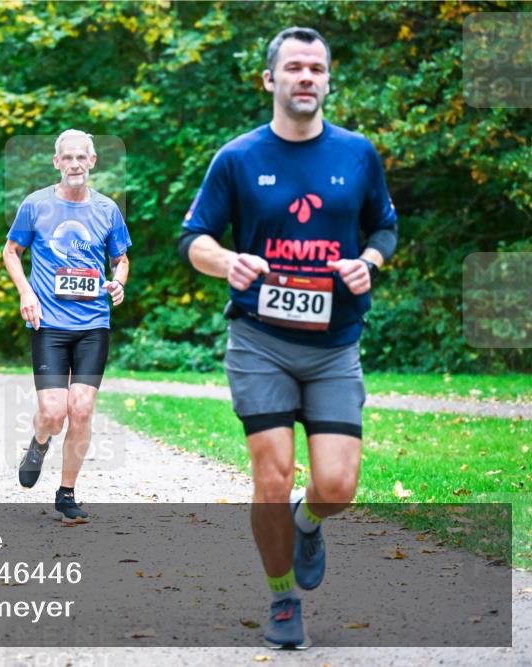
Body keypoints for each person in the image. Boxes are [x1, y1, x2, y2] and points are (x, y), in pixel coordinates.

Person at [177, 27, 398, 648]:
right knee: (271, 477)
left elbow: (384, 226)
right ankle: (281, 597)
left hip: (335, 345)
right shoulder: (239, 158)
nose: (307, 77)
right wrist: (228, 262)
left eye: (318, 69)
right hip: (260, 340)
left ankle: (308, 523)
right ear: (270, 80)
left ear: (328, 81)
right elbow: (192, 237)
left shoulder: (357, 154)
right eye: (295, 67)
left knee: (337, 488)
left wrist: (370, 263)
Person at [3, 129, 131, 524]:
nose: (75, 164)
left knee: (82, 407)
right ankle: (39, 442)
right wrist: (26, 293)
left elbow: (121, 259)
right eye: (68, 158)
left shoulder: (108, 210)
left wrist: (118, 282)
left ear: (93, 161)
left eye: (82, 157)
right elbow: (11, 252)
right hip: (49, 323)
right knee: (54, 412)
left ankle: (67, 493)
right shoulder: (35, 205)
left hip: (94, 324)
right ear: (57, 162)